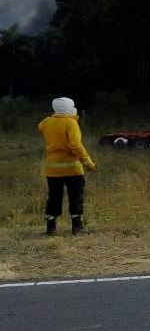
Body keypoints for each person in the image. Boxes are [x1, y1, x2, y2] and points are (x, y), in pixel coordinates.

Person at [38, 97, 96, 236]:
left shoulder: (47, 122)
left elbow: (40, 127)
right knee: (76, 197)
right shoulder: (71, 123)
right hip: (72, 169)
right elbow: (75, 145)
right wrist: (87, 162)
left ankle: (50, 228)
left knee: (54, 197)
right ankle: (77, 227)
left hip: (52, 170)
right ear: (70, 108)